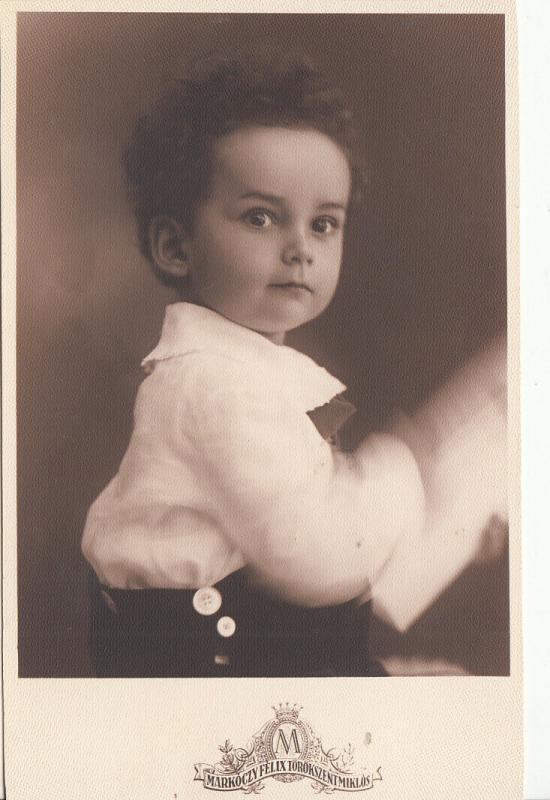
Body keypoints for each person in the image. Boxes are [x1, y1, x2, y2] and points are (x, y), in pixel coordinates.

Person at [82, 50, 507, 677]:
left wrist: (447, 533)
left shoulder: (249, 373)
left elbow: (313, 519)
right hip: (211, 674)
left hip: (272, 644)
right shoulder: (214, 389)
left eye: (324, 224)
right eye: (261, 217)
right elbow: (315, 556)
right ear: (176, 246)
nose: (300, 249)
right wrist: (407, 471)